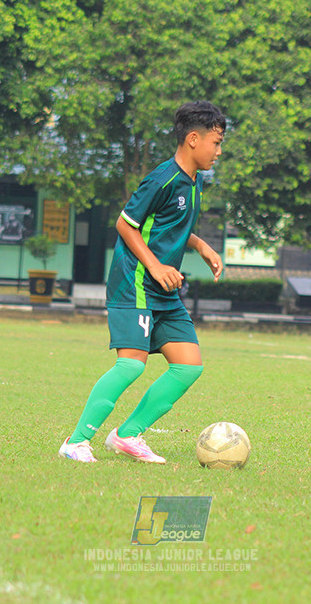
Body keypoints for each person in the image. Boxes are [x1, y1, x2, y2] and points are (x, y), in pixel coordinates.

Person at [58, 101, 226, 464]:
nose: (219, 151)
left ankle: (128, 435)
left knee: (189, 365)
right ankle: (76, 441)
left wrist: (200, 246)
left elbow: (170, 225)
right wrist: (155, 266)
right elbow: (125, 223)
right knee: (132, 364)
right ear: (193, 139)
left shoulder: (193, 182)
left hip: (164, 291)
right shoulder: (162, 177)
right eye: (216, 142)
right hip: (134, 282)